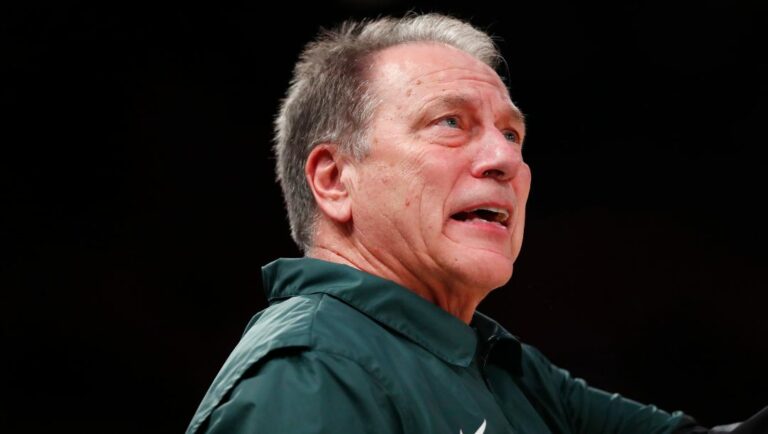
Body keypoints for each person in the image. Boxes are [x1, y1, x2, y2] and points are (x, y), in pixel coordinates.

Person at [186, 13, 766, 434]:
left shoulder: (498, 366)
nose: (504, 159)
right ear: (335, 180)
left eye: (511, 133)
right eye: (449, 122)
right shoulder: (313, 374)